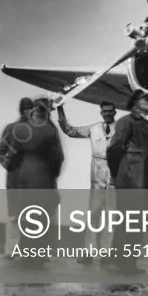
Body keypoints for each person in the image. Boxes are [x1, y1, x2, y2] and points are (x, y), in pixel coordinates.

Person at [0, 99, 64, 268]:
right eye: (25, 109)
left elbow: (57, 157)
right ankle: (22, 252)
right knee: (23, 216)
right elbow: (1, 152)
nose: (27, 112)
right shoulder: (15, 129)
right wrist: (11, 167)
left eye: (30, 109)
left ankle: (31, 254)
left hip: (35, 180)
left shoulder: (44, 129)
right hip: (24, 179)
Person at [56, 100, 118, 263]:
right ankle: (88, 252)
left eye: (110, 111)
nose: (107, 114)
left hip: (115, 171)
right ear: (101, 113)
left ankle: (106, 253)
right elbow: (70, 131)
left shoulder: (122, 129)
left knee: (112, 214)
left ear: (115, 112)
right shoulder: (94, 128)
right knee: (93, 213)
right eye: (104, 111)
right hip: (97, 170)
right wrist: (60, 110)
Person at [106, 90, 148, 275]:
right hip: (130, 175)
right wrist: (117, 174)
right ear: (136, 102)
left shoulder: (145, 123)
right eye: (147, 99)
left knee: (140, 220)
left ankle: (127, 262)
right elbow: (114, 149)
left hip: (145, 174)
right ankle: (120, 262)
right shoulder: (125, 121)